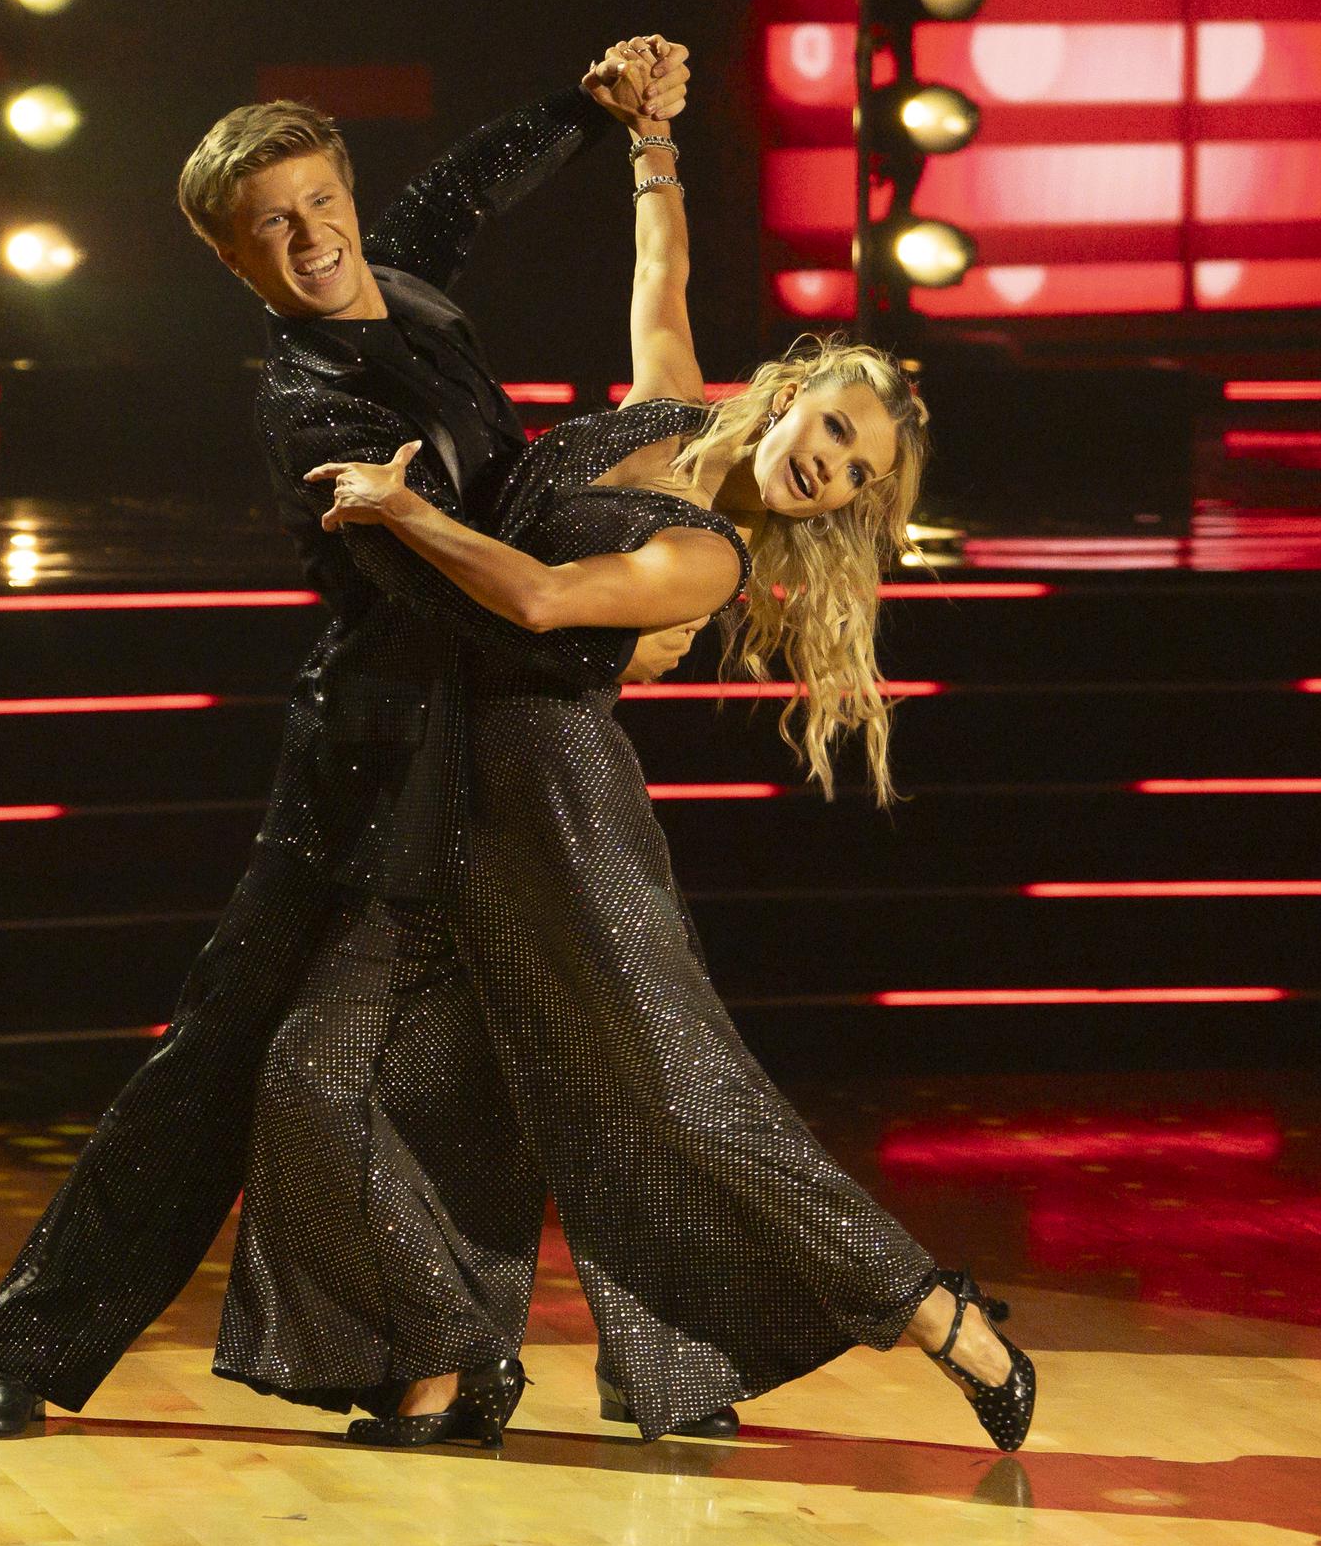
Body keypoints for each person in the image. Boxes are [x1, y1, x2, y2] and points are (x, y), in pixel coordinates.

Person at [0, 39, 695, 1440]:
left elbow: (467, 187)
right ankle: (34, 1351)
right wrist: (622, 635)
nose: (310, 241)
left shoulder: (399, 279)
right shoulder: (310, 402)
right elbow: (423, 592)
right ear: (237, 260)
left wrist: (586, 110)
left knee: (489, 1069)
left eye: (319, 203)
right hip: (368, 771)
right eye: (271, 228)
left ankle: (492, 1355)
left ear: (348, 195)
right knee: (222, 1059)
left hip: (497, 738)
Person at [296, 73, 1037, 1452]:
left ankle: (936, 1313)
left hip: (559, 806)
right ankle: (459, 1368)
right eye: (837, 435)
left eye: (861, 477)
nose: (835, 472)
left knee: (686, 1094)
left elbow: (534, 602)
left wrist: (402, 512)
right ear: (795, 391)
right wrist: (651, 138)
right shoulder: (657, 411)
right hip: (451, 780)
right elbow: (663, 270)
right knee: (334, 1068)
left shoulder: (706, 556)